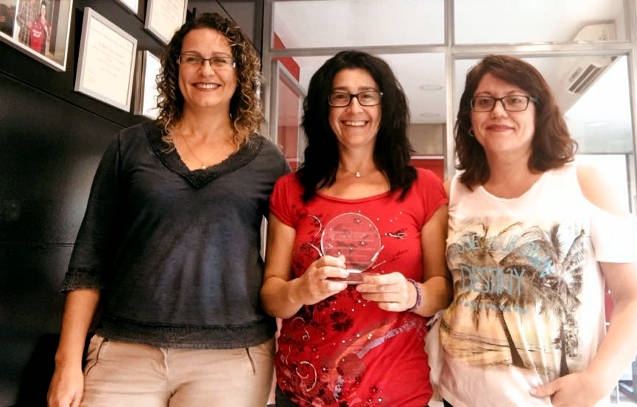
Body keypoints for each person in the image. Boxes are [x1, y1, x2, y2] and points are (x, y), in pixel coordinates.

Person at [46, 12, 289, 407]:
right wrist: (66, 362)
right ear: (176, 68)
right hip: (125, 350)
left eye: (220, 60)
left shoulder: (268, 160)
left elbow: (283, 270)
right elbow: (89, 258)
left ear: (239, 72)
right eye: (193, 58)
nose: (205, 70)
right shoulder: (129, 146)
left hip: (232, 359)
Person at [437, 55, 637, 407]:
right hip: (459, 398)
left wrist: (597, 380)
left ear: (539, 112)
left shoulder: (584, 182)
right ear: (470, 118)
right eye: (484, 101)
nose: (498, 111)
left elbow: (636, 298)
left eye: (515, 100)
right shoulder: (454, 191)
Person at [260, 50, 452, 406]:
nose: (354, 108)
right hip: (303, 393)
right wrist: (301, 290)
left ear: (385, 106)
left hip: (396, 393)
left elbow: (442, 287)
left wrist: (413, 295)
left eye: (367, 96)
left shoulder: (423, 188)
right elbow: (272, 294)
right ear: (323, 108)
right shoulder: (291, 189)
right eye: (340, 96)